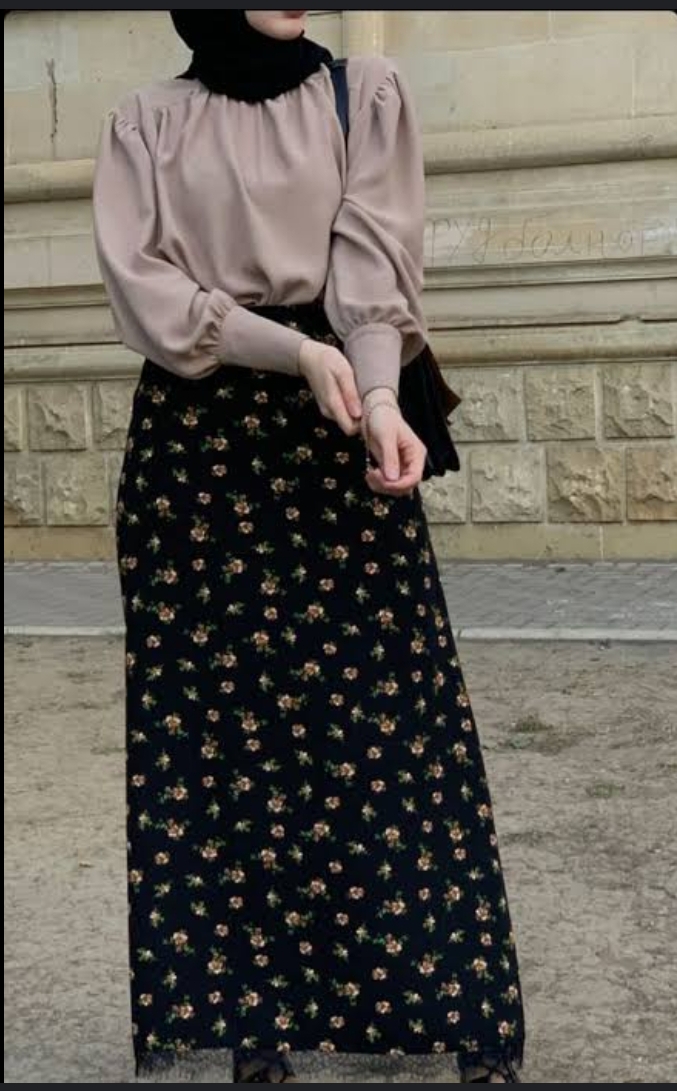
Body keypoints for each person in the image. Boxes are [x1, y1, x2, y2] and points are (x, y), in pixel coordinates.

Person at [92, 10, 525, 1084]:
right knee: (221, 740)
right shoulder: (145, 121)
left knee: (397, 725)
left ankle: (459, 1006)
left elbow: (375, 269)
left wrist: (378, 398)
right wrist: (287, 349)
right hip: (199, 449)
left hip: (336, 432)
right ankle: (256, 1019)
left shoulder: (360, 93)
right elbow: (143, 287)